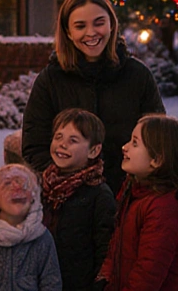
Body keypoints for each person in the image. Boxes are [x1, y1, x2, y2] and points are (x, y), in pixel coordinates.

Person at [22, 0, 165, 195]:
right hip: (70, 203)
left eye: (99, 23)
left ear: (111, 24)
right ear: (68, 32)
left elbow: (157, 138)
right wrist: (70, 184)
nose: (91, 33)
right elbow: (34, 145)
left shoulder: (138, 75)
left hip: (127, 196)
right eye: (80, 26)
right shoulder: (50, 80)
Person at [97, 115, 178, 291]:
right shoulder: (135, 190)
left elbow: (147, 275)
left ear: (157, 160)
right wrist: (105, 278)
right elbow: (117, 246)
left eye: (134, 143)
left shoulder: (164, 208)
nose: (125, 147)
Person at [41, 109, 116, 291]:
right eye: (58, 137)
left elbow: (105, 250)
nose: (62, 144)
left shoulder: (98, 194)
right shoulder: (41, 187)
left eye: (73, 140)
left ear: (94, 150)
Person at [0, 164, 63, 291]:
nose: (17, 187)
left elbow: (52, 283)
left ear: (34, 199)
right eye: (7, 183)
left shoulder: (42, 238)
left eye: (25, 185)